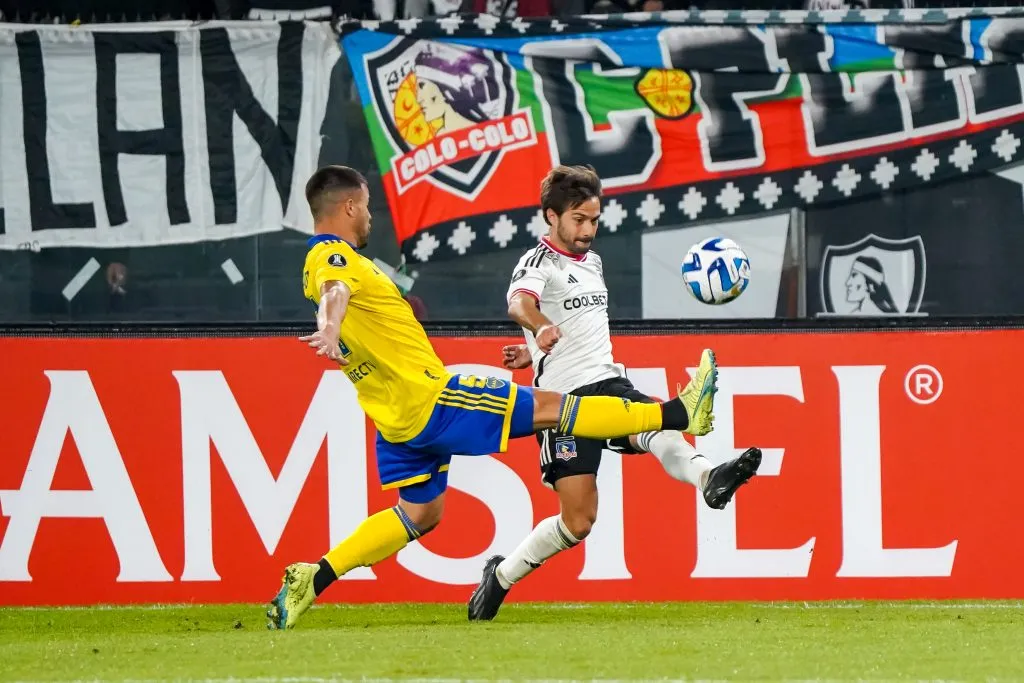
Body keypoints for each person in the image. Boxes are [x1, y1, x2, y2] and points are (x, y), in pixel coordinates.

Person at [266, 165, 721, 629]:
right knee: (554, 409)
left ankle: (313, 578)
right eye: (365, 207)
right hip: (433, 400)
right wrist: (329, 326)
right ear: (348, 206)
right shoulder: (332, 257)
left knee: (420, 514)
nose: (369, 217)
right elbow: (334, 289)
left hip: (396, 416)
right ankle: (678, 412)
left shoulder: (327, 263)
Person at [467, 165, 762, 621]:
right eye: (579, 220)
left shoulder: (595, 261)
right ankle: (501, 576)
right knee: (579, 521)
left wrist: (535, 346)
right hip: (562, 406)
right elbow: (519, 303)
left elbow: (574, 322)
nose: (588, 229)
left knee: (657, 427)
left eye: (594, 219)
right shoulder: (538, 262)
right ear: (551, 216)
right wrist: (538, 329)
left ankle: (710, 478)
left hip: (607, 381)